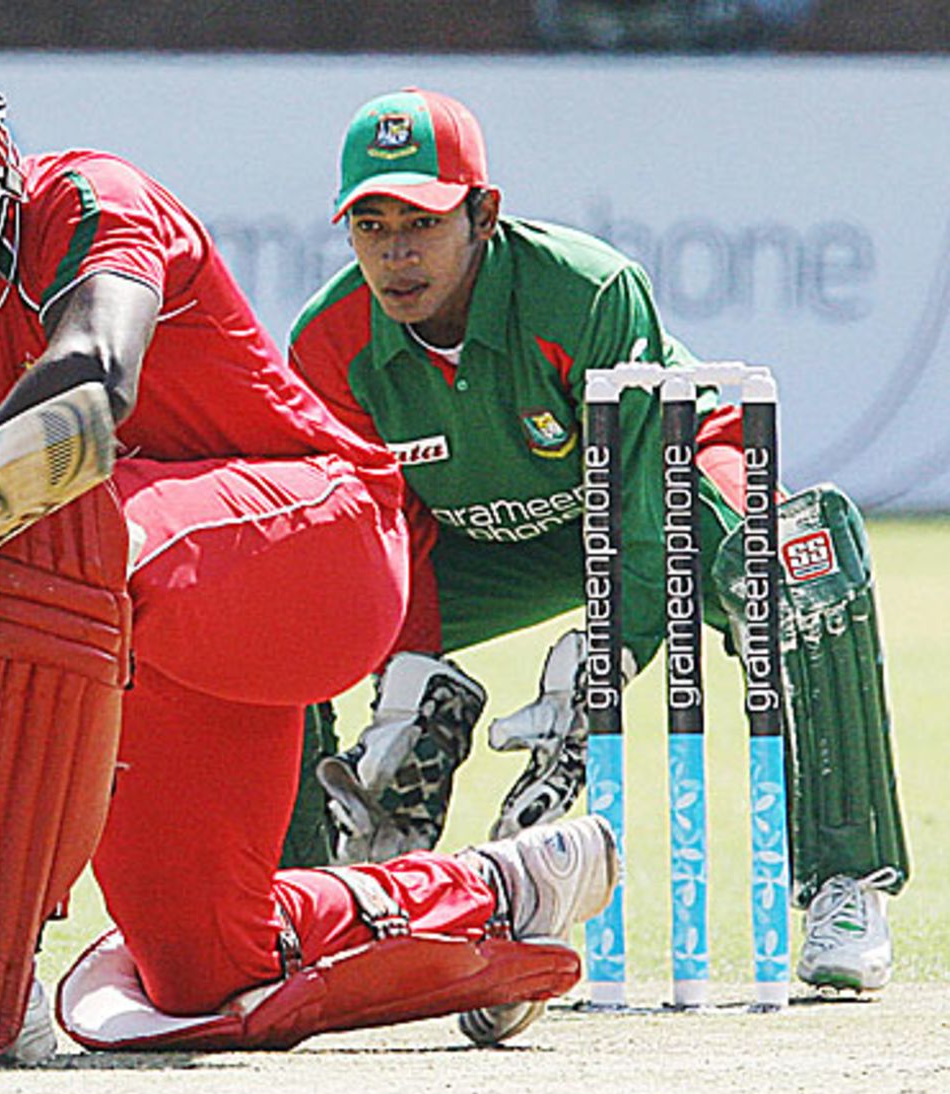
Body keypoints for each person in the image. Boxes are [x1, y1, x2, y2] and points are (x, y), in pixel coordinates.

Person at [0, 38, 622, 1066]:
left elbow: (89, 388)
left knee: (36, 505)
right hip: (145, 631)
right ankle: (500, 893)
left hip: (316, 546)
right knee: (203, 967)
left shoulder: (90, 203)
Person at [290, 87, 910, 1009]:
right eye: (372, 225)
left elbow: (642, 496)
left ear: (483, 212)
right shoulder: (329, 343)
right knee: (277, 599)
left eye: (421, 220)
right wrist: (408, 684)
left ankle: (845, 889)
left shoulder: (582, 292)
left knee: (795, 561)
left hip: (661, 476)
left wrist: (606, 658)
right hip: (483, 535)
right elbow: (376, 529)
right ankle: (300, 903)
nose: (396, 252)